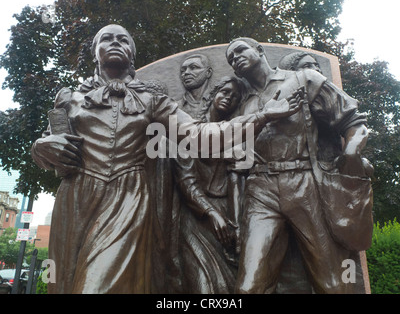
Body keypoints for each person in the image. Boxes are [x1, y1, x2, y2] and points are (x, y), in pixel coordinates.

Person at [30, 25, 303, 294]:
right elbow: (48, 144)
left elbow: (200, 135)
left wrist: (262, 116)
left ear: (131, 55)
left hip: (126, 199)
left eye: (123, 40)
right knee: (65, 283)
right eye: (107, 39)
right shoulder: (70, 99)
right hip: (75, 199)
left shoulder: (152, 101)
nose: (115, 43)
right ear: (95, 52)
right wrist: (42, 147)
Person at [226, 37, 371, 294]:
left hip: (304, 183)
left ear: (259, 50)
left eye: (239, 50)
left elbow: (352, 121)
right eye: (230, 59)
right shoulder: (243, 106)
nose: (235, 58)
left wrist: (350, 156)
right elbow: (238, 162)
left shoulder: (304, 79)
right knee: (249, 288)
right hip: (260, 191)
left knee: (332, 283)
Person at [172, 76, 245, 293]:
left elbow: (237, 178)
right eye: (224, 92)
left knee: (232, 283)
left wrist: (236, 222)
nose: (228, 99)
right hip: (196, 214)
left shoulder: (238, 132)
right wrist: (211, 213)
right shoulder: (189, 129)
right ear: (213, 94)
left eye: (235, 97)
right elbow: (186, 179)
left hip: (229, 210)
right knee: (204, 282)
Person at [178, 54, 213, 119]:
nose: (186, 72)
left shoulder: (220, 102)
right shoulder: (175, 107)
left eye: (193, 67)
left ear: (208, 72)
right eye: (183, 70)